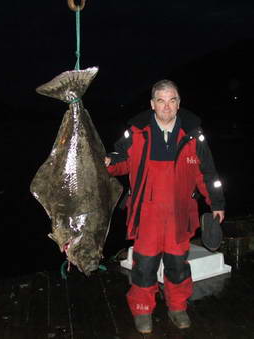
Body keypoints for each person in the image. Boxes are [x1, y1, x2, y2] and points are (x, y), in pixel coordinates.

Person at [105, 79, 225, 334]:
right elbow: (119, 161)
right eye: (161, 100)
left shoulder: (193, 136)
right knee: (145, 267)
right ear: (152, 104)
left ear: (179, 104)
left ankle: (177, 306)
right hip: (146, 216)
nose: (167, 106)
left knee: (178, 267)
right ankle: (142, 309)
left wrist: (217, 203)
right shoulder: (137, 133)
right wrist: (104, 161)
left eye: (172, 100)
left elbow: (208, 173)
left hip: (180, 216)